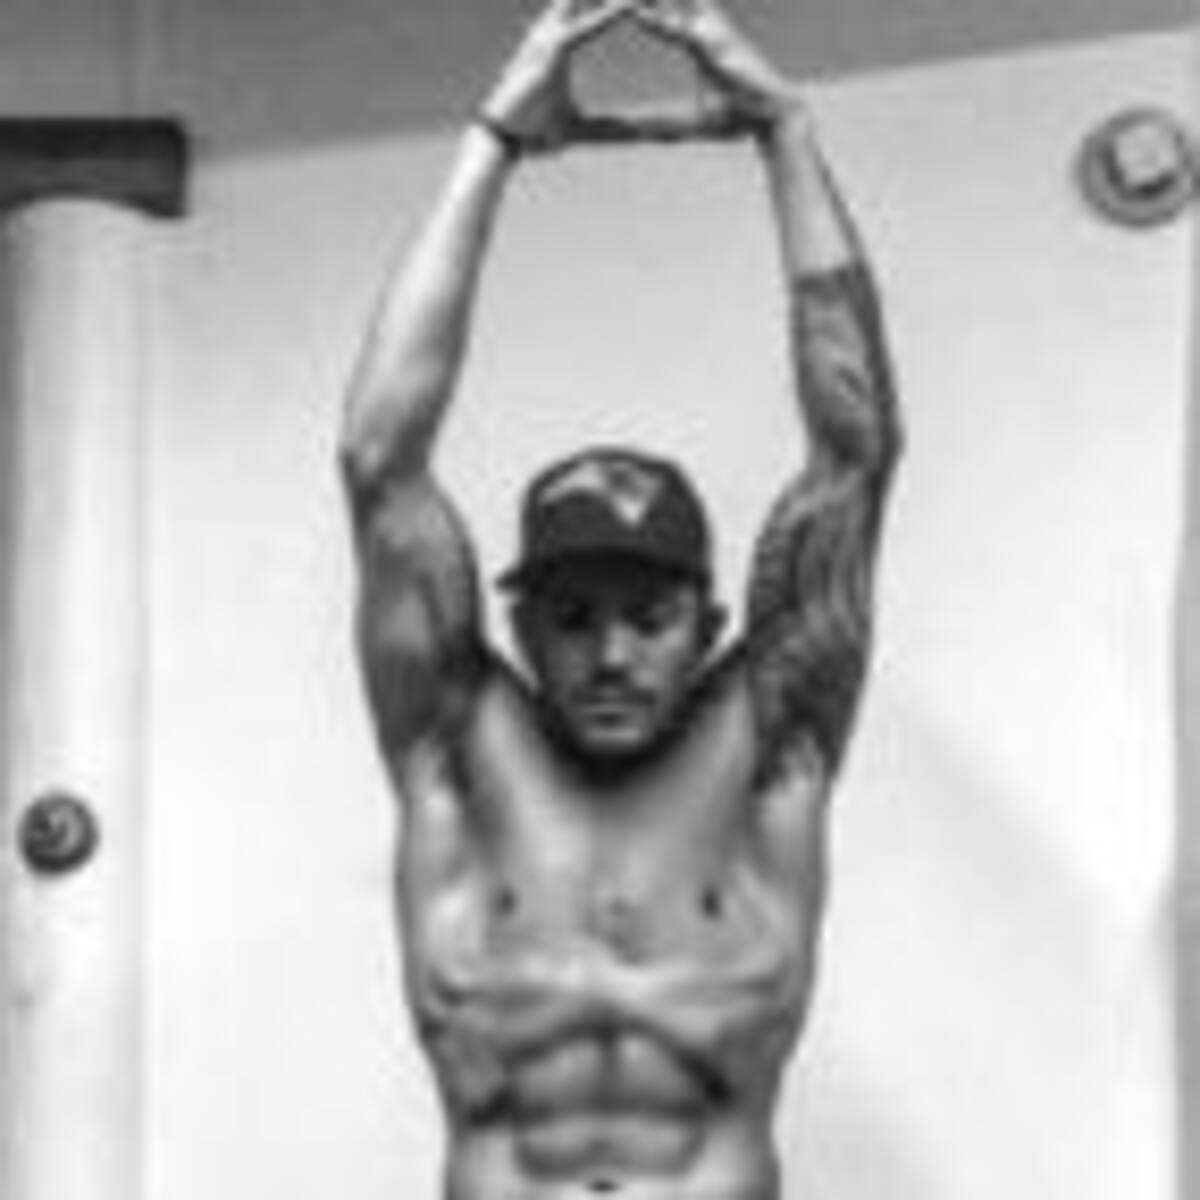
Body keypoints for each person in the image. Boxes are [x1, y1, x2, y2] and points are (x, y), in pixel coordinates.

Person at [339, 1, 902, 1196]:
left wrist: (787, 134)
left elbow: (856, 452)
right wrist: (493, 139)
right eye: (573, 618)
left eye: (649, 621)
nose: (610, 655)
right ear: (519, 627)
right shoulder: (456, 750)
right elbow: (378, 460)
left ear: (710, 627)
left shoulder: (772, 747)